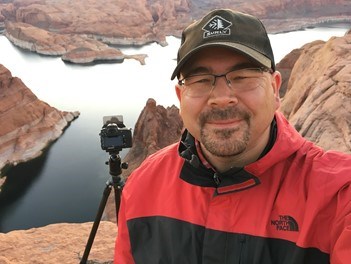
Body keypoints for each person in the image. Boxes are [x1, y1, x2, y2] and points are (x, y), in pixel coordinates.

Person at [115, 9, 351, 264]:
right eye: (201, 80)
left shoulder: (338, 197)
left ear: (275, 89)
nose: (221, 98)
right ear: (181, 97)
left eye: (242, 77)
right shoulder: (143, 187)